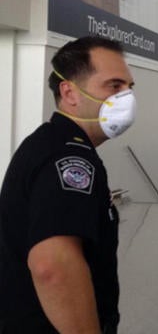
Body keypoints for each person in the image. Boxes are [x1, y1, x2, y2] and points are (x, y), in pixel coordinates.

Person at [0, 36, 135, 333]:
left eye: (129, 87)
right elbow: (53, 266)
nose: (127, 97)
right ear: (69, 92)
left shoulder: (50, 143)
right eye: (114, 86)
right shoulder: (69, 157)